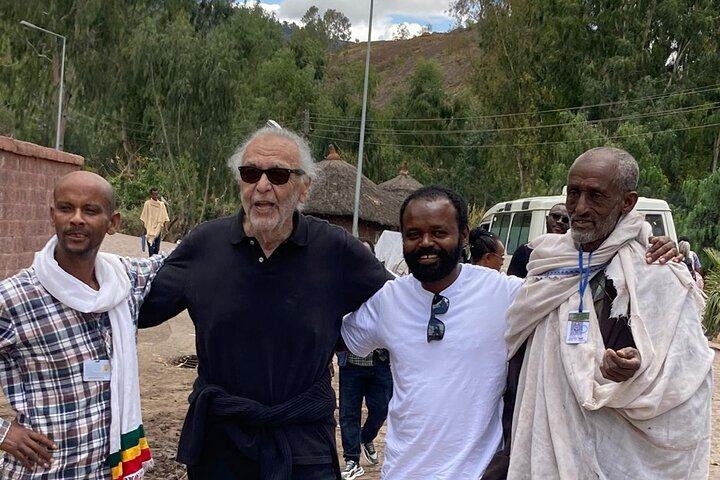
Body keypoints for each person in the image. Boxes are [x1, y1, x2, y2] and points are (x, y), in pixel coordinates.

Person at [137, 126, 391, 479]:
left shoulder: (335, 250)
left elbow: (398, 306)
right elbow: (135, 308)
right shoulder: (204, 245)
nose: (262, 185)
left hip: (302, 443)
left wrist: (345, 338)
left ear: (304, 188)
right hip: (220, 444)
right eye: (250, 173)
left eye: (278, 175)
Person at [505, 147, 713, 479]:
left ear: (627, 203)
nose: (580, 208)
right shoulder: (545, 261)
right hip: (545, 449)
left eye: (596, 196)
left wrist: (636, 369)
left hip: (619, 458)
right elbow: (517, 348)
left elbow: (687, 380)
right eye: (574, 193)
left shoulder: (659, 274)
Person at [341, 186, 524, 479]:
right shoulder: (389, 299)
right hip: (403, 472)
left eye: (439, 233)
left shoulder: (504, 293)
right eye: (413, 235)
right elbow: (337, 339)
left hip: (476, 473)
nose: (426, 243)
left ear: (464, 235)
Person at [0, 171, 163, 479]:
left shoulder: (124, 280)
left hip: (109, 469)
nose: (76, 219)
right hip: (46, 470)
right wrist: (4, 433)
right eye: (66, 208)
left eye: (90, 210)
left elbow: (178, 260)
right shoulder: (15, 298)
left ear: (113, 223)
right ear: (52, 215)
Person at [337, 239, 393, 480]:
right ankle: (352, 460)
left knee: (380, 410)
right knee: (348, 413)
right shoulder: (338, 286)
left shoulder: (388, 288)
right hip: (350, 363)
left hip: (380, 362)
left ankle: (367, 438)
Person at [507, 203, 569, 278]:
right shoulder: (526, 250)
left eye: (566, 220)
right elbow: (514, 284)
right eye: (556, 216)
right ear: (546, 219)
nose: (560, 221)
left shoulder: (573, 253)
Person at [140, 188, 169, 256]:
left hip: (158, 229)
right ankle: (151, 260)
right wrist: (143, 229)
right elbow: (144, 216)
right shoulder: (147, 204)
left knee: (157, 249)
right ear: (151, 195)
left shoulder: (161, 205)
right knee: (150, 249)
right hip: (149, 228)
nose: (155, 196)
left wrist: (166, 228)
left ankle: (154, 260)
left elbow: (165, 217)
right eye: (153, 194)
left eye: (156, 194)